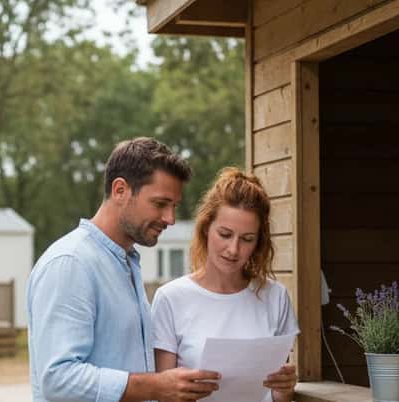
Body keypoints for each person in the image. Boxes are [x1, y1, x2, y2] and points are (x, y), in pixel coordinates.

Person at [27, 137, 221, 402]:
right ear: (120, 191)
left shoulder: (125, 262)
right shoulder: (71, 263)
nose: (170, 219)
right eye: (160, 203)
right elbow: (59, 380)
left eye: (173, 206)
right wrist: (155, 386)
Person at [151, 167, 300, 402]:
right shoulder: (170, 298)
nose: (233, 249)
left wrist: (284, 391)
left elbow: (276, 396)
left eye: (247, 239)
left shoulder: (276, 297)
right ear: (205, 229)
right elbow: (163, 395)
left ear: (258, 242)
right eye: (225, 234)